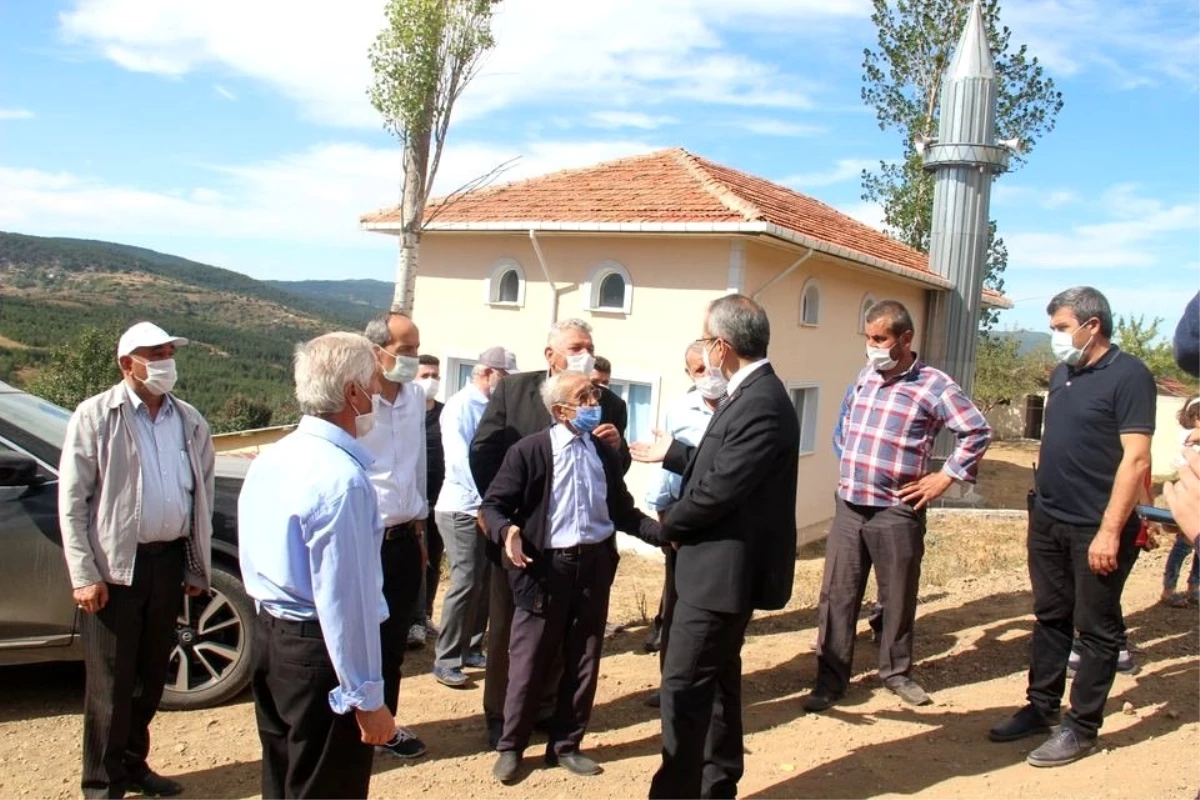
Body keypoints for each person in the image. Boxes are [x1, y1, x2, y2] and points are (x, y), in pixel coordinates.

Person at [632, 293, 799, 800]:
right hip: (714, 572)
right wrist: (677, 454)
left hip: (720, 577)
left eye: (706, 341)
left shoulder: (762, 402)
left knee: (683, 691)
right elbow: (723, 465)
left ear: (722, 347)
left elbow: (721, 489)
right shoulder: (747, 395)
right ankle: (717, 783)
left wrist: (664, 527)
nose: (703, 352)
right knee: (720, 685)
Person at [989, 287, 1155, 768]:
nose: (1056, 337)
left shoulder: (1130, 376)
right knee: (1049, 617)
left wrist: (1110, 530)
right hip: (1050, 519)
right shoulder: (1064, 373)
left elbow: (1136, 458)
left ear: (1092, 325)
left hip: (1096, 528)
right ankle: (1040, 708)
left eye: (1061, 328)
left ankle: (1081, 728)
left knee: (1096, 629)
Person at [806, 299, 992, 713]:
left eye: (880, 338)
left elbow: (976, 431)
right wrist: (852, 459)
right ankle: (830, 680)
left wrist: (946, 476)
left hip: (896, 509)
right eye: (868, 338)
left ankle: (895, 673)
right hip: (851, 506)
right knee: (838, 594)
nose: (871, 347)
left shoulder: (934, 385)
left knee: (897, 596)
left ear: (905, 338)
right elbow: (844, 422)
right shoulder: (865, 376)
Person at [482, 371, 663, 783]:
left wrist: (667, 536)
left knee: (584, 659)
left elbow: (622, 511)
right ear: (561, 409)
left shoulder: (602, 452)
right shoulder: (530, 451)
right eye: (584, 396)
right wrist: (508, 531)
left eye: (594, 394)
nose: (594, 402)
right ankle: (511, 746)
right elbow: (494, 505)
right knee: (530, 661)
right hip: (546, 571)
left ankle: (566, 745)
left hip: (594, 566)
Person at [59, 321, 214, 800]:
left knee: (149, 679)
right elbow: (73, 500)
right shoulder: (96, 415)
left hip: (166, 564)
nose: (166, 361)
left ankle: (133, 765)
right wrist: (84, 575)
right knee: (110, 685)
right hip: (114, 571)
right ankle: (102, 785)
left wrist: (195, 565)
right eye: (155, 353)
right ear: (127, 364)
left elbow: (198, 495)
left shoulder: (188, 420)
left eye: (169, 352)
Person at [238, 332, 395, 800]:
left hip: (272, 639)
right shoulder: (341, 480)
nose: (381, 393)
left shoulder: (279, 453)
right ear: (352, 393)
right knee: (326, 784)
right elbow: (345, 602)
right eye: (375, 381)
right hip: (317, 651)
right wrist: (366, 698)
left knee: (285, 775)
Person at [470, 318, 629, 748]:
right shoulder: (513, 391)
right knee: (508, 632)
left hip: (578, 545)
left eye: (590, 346)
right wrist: (503, 514)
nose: (586, 353)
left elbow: (615, 478)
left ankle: (547, 711)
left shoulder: (609, 404)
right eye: (577, 346)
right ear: (550, 354)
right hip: (520, 538)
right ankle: (502, 716)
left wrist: (618, 449)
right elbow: (483, 451)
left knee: (564, 636)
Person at [360, 311, 430, 759]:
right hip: (364, 541)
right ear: (377, 352)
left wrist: (421, 526)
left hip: (405, 539)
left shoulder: (414, 398)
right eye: (405, 351)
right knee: (356, 639)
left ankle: (386, 728)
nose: (412, 360)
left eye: (416, 350)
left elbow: (416, 466)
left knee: (392, 642)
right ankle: (351, 722)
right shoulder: (356, 399)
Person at [432, 347, 517, 688]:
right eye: (505, 376)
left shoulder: (492, 407)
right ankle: (446, 658)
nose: (507, 383)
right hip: (462, 508)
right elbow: (460, 460)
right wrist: (485, 503)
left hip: (484, 507)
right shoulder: (460, 406)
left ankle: (470, 647)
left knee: (484, 582)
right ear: (487, 373)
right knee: (466, 580)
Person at [642, 341, 720, 704]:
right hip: (682, 516)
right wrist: (663, 517)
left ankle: (710, 682)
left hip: (723, 520)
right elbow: (666, 465)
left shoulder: (741, 407)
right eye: (699, 370)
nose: (708, 376)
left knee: (715, 609)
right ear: (689, 374)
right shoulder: (680, 410)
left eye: (712, 366)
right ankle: (669, 684)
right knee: (675, 605)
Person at [415, 354, 446, 643]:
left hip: (439, 502)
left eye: (435, 375)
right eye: (425, 375)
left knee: (433, 560)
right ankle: (409, 619)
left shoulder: (445, 414)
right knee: (413, 562)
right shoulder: (406, 414)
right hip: (411, 504)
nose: (432, 381)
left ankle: (424, 615)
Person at [1161, 396, 1200, 607]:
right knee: (1184, 545)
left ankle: (1194, 587)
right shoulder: (1187, 435)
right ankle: (1169, 589)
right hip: (1187, 497)